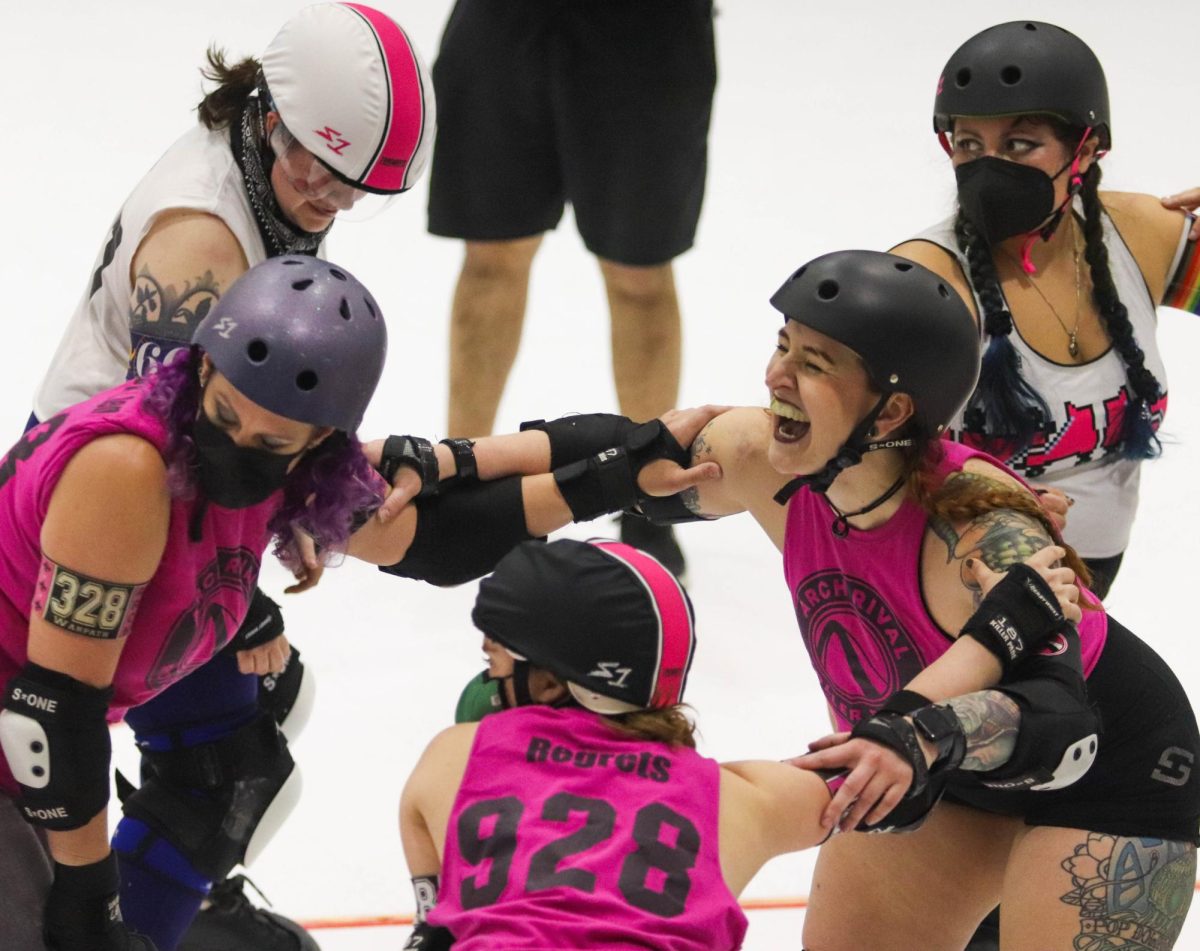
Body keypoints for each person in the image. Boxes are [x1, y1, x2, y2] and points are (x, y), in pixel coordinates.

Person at [0, 255, 724, 951]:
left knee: (231, 763)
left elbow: (439, 536)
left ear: (320, 441)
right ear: (202, 367)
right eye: (222, 413)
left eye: (271, 440)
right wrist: (89, 896)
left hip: (30, 747)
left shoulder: (285, 469)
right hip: (27, 738)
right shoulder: (126, 468)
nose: (236, 446)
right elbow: (54, 714)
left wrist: (623, 466)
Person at [23, 4, 435, 947]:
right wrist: (241, 599)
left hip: (94, 477)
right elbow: (190, 450)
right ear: (273, 113)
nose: (332, 199)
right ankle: (133, 916)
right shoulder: (202, 239)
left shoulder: (253, 150)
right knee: (225, 773)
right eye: (320, 171)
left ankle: (165, 894)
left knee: (272, 709)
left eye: (357, 187)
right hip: (106, 511)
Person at [397, 537, 846, 949]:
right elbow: (859, 786)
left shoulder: (455, 757)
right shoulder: (740, 800)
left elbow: (434, 932)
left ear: (551, 683)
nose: (486, 682)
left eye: (491, 660)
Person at [891, 20, 1200, 601]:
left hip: (1086, 585)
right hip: (956, 593)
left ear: (1084, 149)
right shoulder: (924, 280)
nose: (988, 168)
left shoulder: (1141, 235)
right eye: (969, 145)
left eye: (1018, 145)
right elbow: (834, 453)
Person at [426, 0, 718, 576]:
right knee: (492, 255)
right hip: (506, 20)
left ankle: (650, 490)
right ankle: (457, 474)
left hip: (647, 33)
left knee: (638, 269)